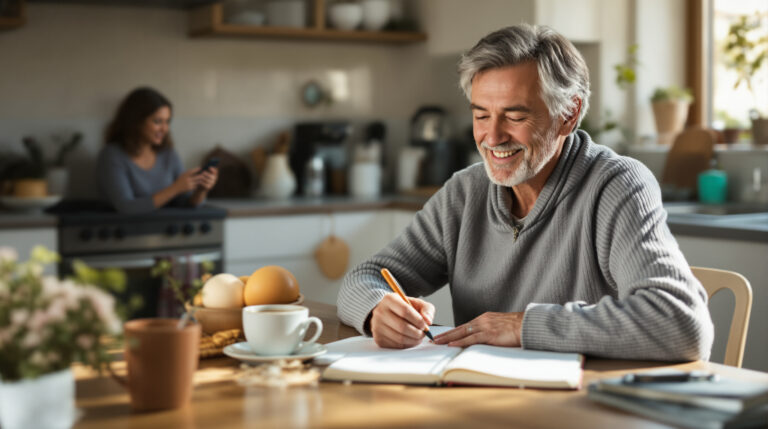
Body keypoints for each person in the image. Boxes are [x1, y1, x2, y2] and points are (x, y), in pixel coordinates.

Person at [337, 24, 714, 361]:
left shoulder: (617, 186)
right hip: (483, 403)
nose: (493, 137)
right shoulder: (464, 193)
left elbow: (681, 322)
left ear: (569, 114)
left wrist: (523, 326)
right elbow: (364, 277)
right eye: (481, 115)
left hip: (588, 406)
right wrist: (377, 310)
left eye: (515, 117)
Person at [96, 87, 218, 214]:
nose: (164, 129)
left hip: (166, 230)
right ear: (136, 121)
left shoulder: (168, 155)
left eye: (167, 121)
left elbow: (186, 203)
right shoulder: (111, 155)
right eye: (157, 121)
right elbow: (126, 207)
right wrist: (175, 189)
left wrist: (201, 190)